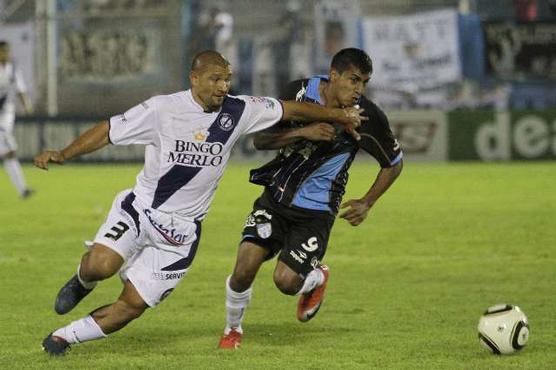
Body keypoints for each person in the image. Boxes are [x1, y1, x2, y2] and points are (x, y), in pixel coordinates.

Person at [34, 50, 365, 356]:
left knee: (133, 305)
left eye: (227, 79)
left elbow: (290, 108)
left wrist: (338, 116)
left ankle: (65, 337)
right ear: (194, 79)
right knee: (99, 266)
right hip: (140, 210)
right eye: (215, 79)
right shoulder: (162, 109)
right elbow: (108, 130)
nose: (223, 86)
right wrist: (64, 154)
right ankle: (83, 281)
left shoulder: (240, 109)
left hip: (179, 236)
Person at [218, 48, 403, 349]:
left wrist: (368, 202)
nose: (359, 90)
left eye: (364, 83)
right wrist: (305, 132)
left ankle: (315, 278)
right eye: (354, 80)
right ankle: (232, 330)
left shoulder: (367, 117)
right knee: (243, 269)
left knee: (286, 281)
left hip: (315, 213)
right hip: (275, 199)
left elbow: (394, 163)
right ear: (334, 75)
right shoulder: (299, 93)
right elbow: (260, 140)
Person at [0, 40, 34, 198]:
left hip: (6, 113)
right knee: (9, 152)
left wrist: (26, 105)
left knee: (8, 151)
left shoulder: (12, 68)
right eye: (3, 51)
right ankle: (22, 189)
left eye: (7, 51)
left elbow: (20, 89)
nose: (6, 54)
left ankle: (22, 189)